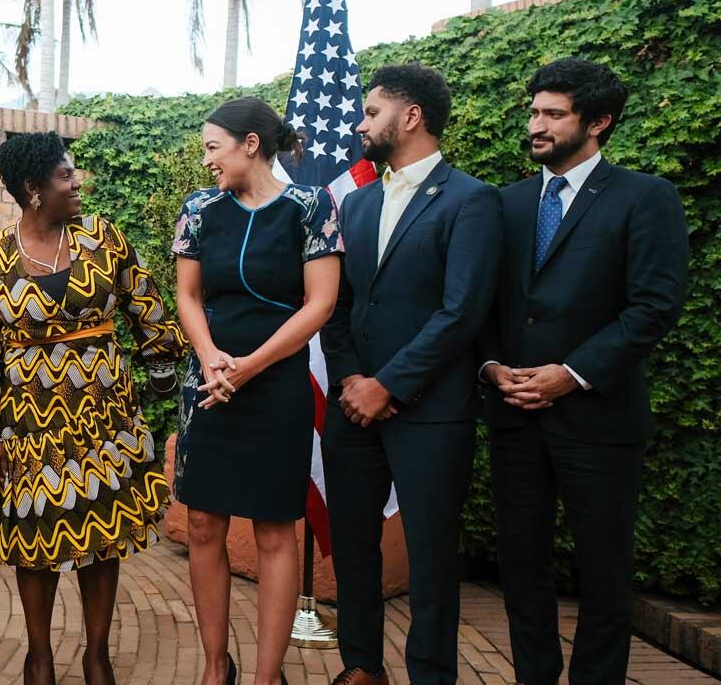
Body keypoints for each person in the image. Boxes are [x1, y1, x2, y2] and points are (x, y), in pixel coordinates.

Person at [479, 57, 688, 685]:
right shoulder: (505, 203)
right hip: (514, 417)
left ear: (598, 122)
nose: (535, 124)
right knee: (521, 569)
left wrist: (571, 373)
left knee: (603, 574)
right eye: (534, 110)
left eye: (552, 113)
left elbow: (654, 305)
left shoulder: (645, 197)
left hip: (600, 421)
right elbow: (481, 302)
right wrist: (491, 367)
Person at [0, 131, 187, 685]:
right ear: (34, 190)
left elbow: (146, 302)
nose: (77, 182)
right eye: (65, 175)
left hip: (104, 423)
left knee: (102, 537)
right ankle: (39, 656)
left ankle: (97, 654)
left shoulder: (103, 239)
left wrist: (160, 363)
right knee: (34, 540)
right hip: (27, 426)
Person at [319, 64, 503, 685]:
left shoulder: (471, 199)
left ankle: (430, 675)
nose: (362, 122)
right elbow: (339, 303)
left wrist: (387, 385)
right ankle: (361, 668)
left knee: (428, 558)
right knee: (353, 550)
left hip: (430, 412)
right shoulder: (361, 200)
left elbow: (462, 312)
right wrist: (348, 380)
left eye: (372, 112)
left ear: (412, 116)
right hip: (351, 409)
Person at [172, 97, 342, 685]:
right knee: (202, 525)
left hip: (276, 385)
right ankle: (217, 667)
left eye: (212, 147)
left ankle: (268, 676)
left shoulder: (310, 207)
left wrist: (251, 366)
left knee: (274, 529)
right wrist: (211, 359)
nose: (206, 161)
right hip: (210, 381)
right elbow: (188, 296)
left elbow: (321, 302)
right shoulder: (198, 208)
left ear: (250, 143)